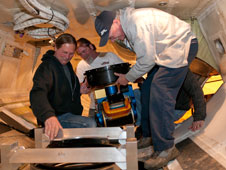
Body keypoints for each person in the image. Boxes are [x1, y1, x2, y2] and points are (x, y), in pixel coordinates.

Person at [94, 7, 199, 169]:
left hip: (181, 45)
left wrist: (126, 78)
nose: (112, 40)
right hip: (164, 54)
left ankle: (166, 148)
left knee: (159, 91)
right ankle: (149, 137)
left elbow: (147, 60)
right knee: (147, 89)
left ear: (116, 21)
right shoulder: (129, 27)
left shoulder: (137, 23)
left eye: (110, 34)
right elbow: (146, 56)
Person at [30, 33, 96, 141]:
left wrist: (79, 90)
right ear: (55, 47)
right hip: (57, 116)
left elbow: (64, 90)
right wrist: (48, 116)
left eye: (71, 54)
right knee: (89, 124)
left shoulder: (67, 66)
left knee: (95, 122)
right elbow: (38, 92)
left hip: (70, 114)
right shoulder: (47, 67)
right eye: (64, 52)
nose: (67, 57)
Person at [138, 67, 206, 150]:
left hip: (176, 109)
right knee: (139, 94)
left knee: (150, 111)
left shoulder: (180, 69)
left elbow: (197, 91)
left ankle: (157, 136)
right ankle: (147, 133)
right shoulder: (156, 67)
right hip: (162, 106)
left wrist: (199, 117)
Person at [76, 38, 124, 118]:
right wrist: (85, 86)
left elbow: (125, 73)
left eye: (84, 51)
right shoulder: (81, 65)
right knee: (92, 128)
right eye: (80, 54)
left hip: (116, 103)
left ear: (91, 46)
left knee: (117, 129)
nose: (83, 55)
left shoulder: (109, 56)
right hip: (95, 105)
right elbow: (81, 86)